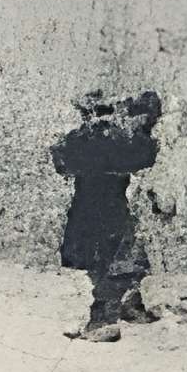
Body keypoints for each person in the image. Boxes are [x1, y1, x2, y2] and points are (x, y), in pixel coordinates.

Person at [52, 89, 156, 344]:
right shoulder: (120, 139)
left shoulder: (78, 139)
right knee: (108, 262)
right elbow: (144, 157)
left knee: (104, 265)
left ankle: (105, 318)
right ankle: (109, 313)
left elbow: (61, 163)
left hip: (90, 209)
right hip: (108, 208)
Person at [113, 91, 177, 325]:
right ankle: (130, 303)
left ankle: (133, 301)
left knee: (140, 256)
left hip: (139, 205)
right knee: (137, 257)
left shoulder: (146, 139)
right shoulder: (141, 142)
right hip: (136, 206)